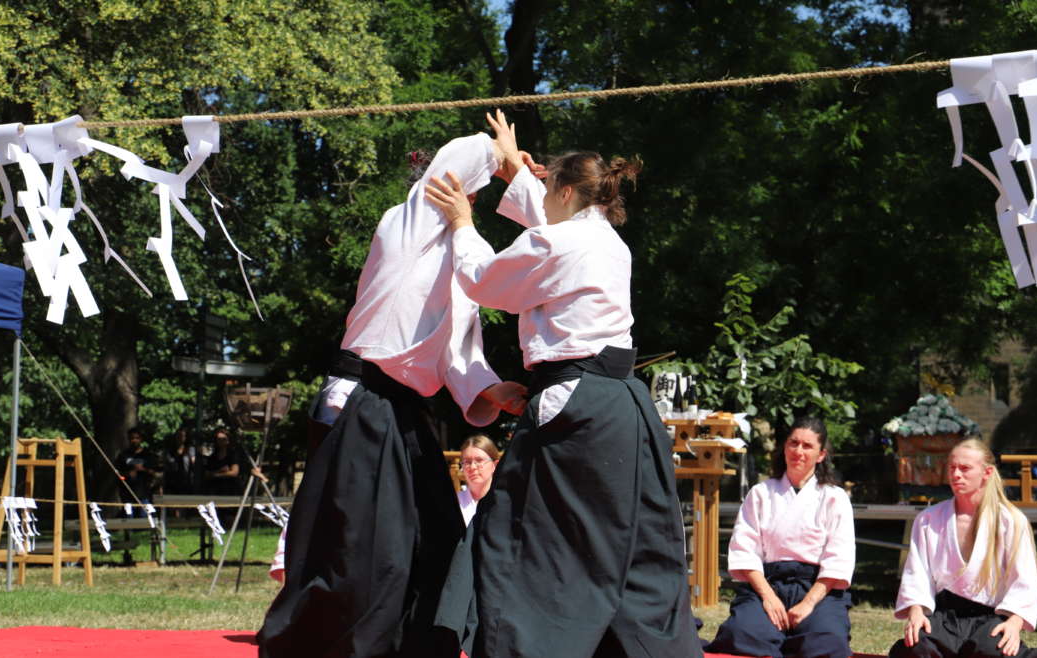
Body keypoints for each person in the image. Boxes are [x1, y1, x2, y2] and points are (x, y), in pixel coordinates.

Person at [425, 110, 702, 657]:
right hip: (623, 406)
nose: (542, 199)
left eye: (549, 187)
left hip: (575, 405)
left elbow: (487, 282)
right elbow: (551, 225)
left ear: (570, 191)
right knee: (631, 541)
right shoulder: (605, 240)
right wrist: (512, 170)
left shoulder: (562, 244)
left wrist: (461, 223)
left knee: (526, 535)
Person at [256, 130, 528, 658]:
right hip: (361, 400)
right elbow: (452, 164)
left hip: (401, 410)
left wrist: (495, 391)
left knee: (439, 536)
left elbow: (457, 354)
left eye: (476, 193)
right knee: (365, 554)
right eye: (469, 188)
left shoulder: (467, 252)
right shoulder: (404, 229)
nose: (472, 197)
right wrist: (502, 158)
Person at [704, 416, 855, 658]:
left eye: (807, 446)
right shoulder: (761, 493)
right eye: (793, 443)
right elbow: (745, 551)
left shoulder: (834, 498)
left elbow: (839, 559)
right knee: (742, 635)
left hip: (816, 587)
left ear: (821, 455)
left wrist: (807, 604)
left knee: (827, 642)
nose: (798, 451)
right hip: (768, 583)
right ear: (784, 448)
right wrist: (768, 598)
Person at [889, 439, 1037, 658]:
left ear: (987, 472)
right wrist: (916, 611)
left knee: (992, 651)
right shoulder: (928, 519)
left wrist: (1014, 622)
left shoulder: (1010, 520)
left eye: (965, 469)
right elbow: (917, 573)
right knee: (916, 647)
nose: (956, 475)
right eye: (952, 468)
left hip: (990, 616)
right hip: (945, 616)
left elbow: (1024, 579)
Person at [456, 434, 500, 526]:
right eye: (467, 462)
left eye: (479, 460)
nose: (472, 467)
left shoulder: (505, 502)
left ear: (495, 465)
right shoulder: (455, 502)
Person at [116, 426, 160, 512]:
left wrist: (143, 469)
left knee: (145, 520)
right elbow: (118, 474)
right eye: (132, 438)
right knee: (130, 520)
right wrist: (127, 474)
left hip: (144, 494)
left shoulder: (148, 455)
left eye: (137, 438)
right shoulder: (123, 455)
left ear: (141, 439)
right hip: (128, 495)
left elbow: (155, 473)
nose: (134, 440)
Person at [203, 428, 242, 497]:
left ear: (228, 440)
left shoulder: (232, 455)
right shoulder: (213, 457)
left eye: (223, 439)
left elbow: (234, 472)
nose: (221, 441)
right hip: (215, 490)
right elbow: (207, 474)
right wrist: (221, 471)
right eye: (219, 439)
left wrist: (217, 474)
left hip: (230, 489)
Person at [161, 427, 199, 495]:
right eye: (178, 436)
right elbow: (166, 466)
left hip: (188, 482)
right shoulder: (169, 451)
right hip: (172, 483)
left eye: (182, 436)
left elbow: (194, 465)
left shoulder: (191, 449)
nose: (180, 438)